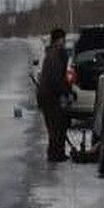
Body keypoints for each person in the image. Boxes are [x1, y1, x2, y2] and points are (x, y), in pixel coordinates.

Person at [36, 27, 72, 162]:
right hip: (49, 95)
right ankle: (55, 154)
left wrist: (68, 90)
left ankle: (56, 153)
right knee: (56, 125)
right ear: (59, 39)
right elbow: (56, 78)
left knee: (57, 125)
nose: (65, 42)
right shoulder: (55, 54)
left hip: (48, 94)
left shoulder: (53, 53)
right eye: (63, 39)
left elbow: (61, 77)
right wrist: (65, 92)